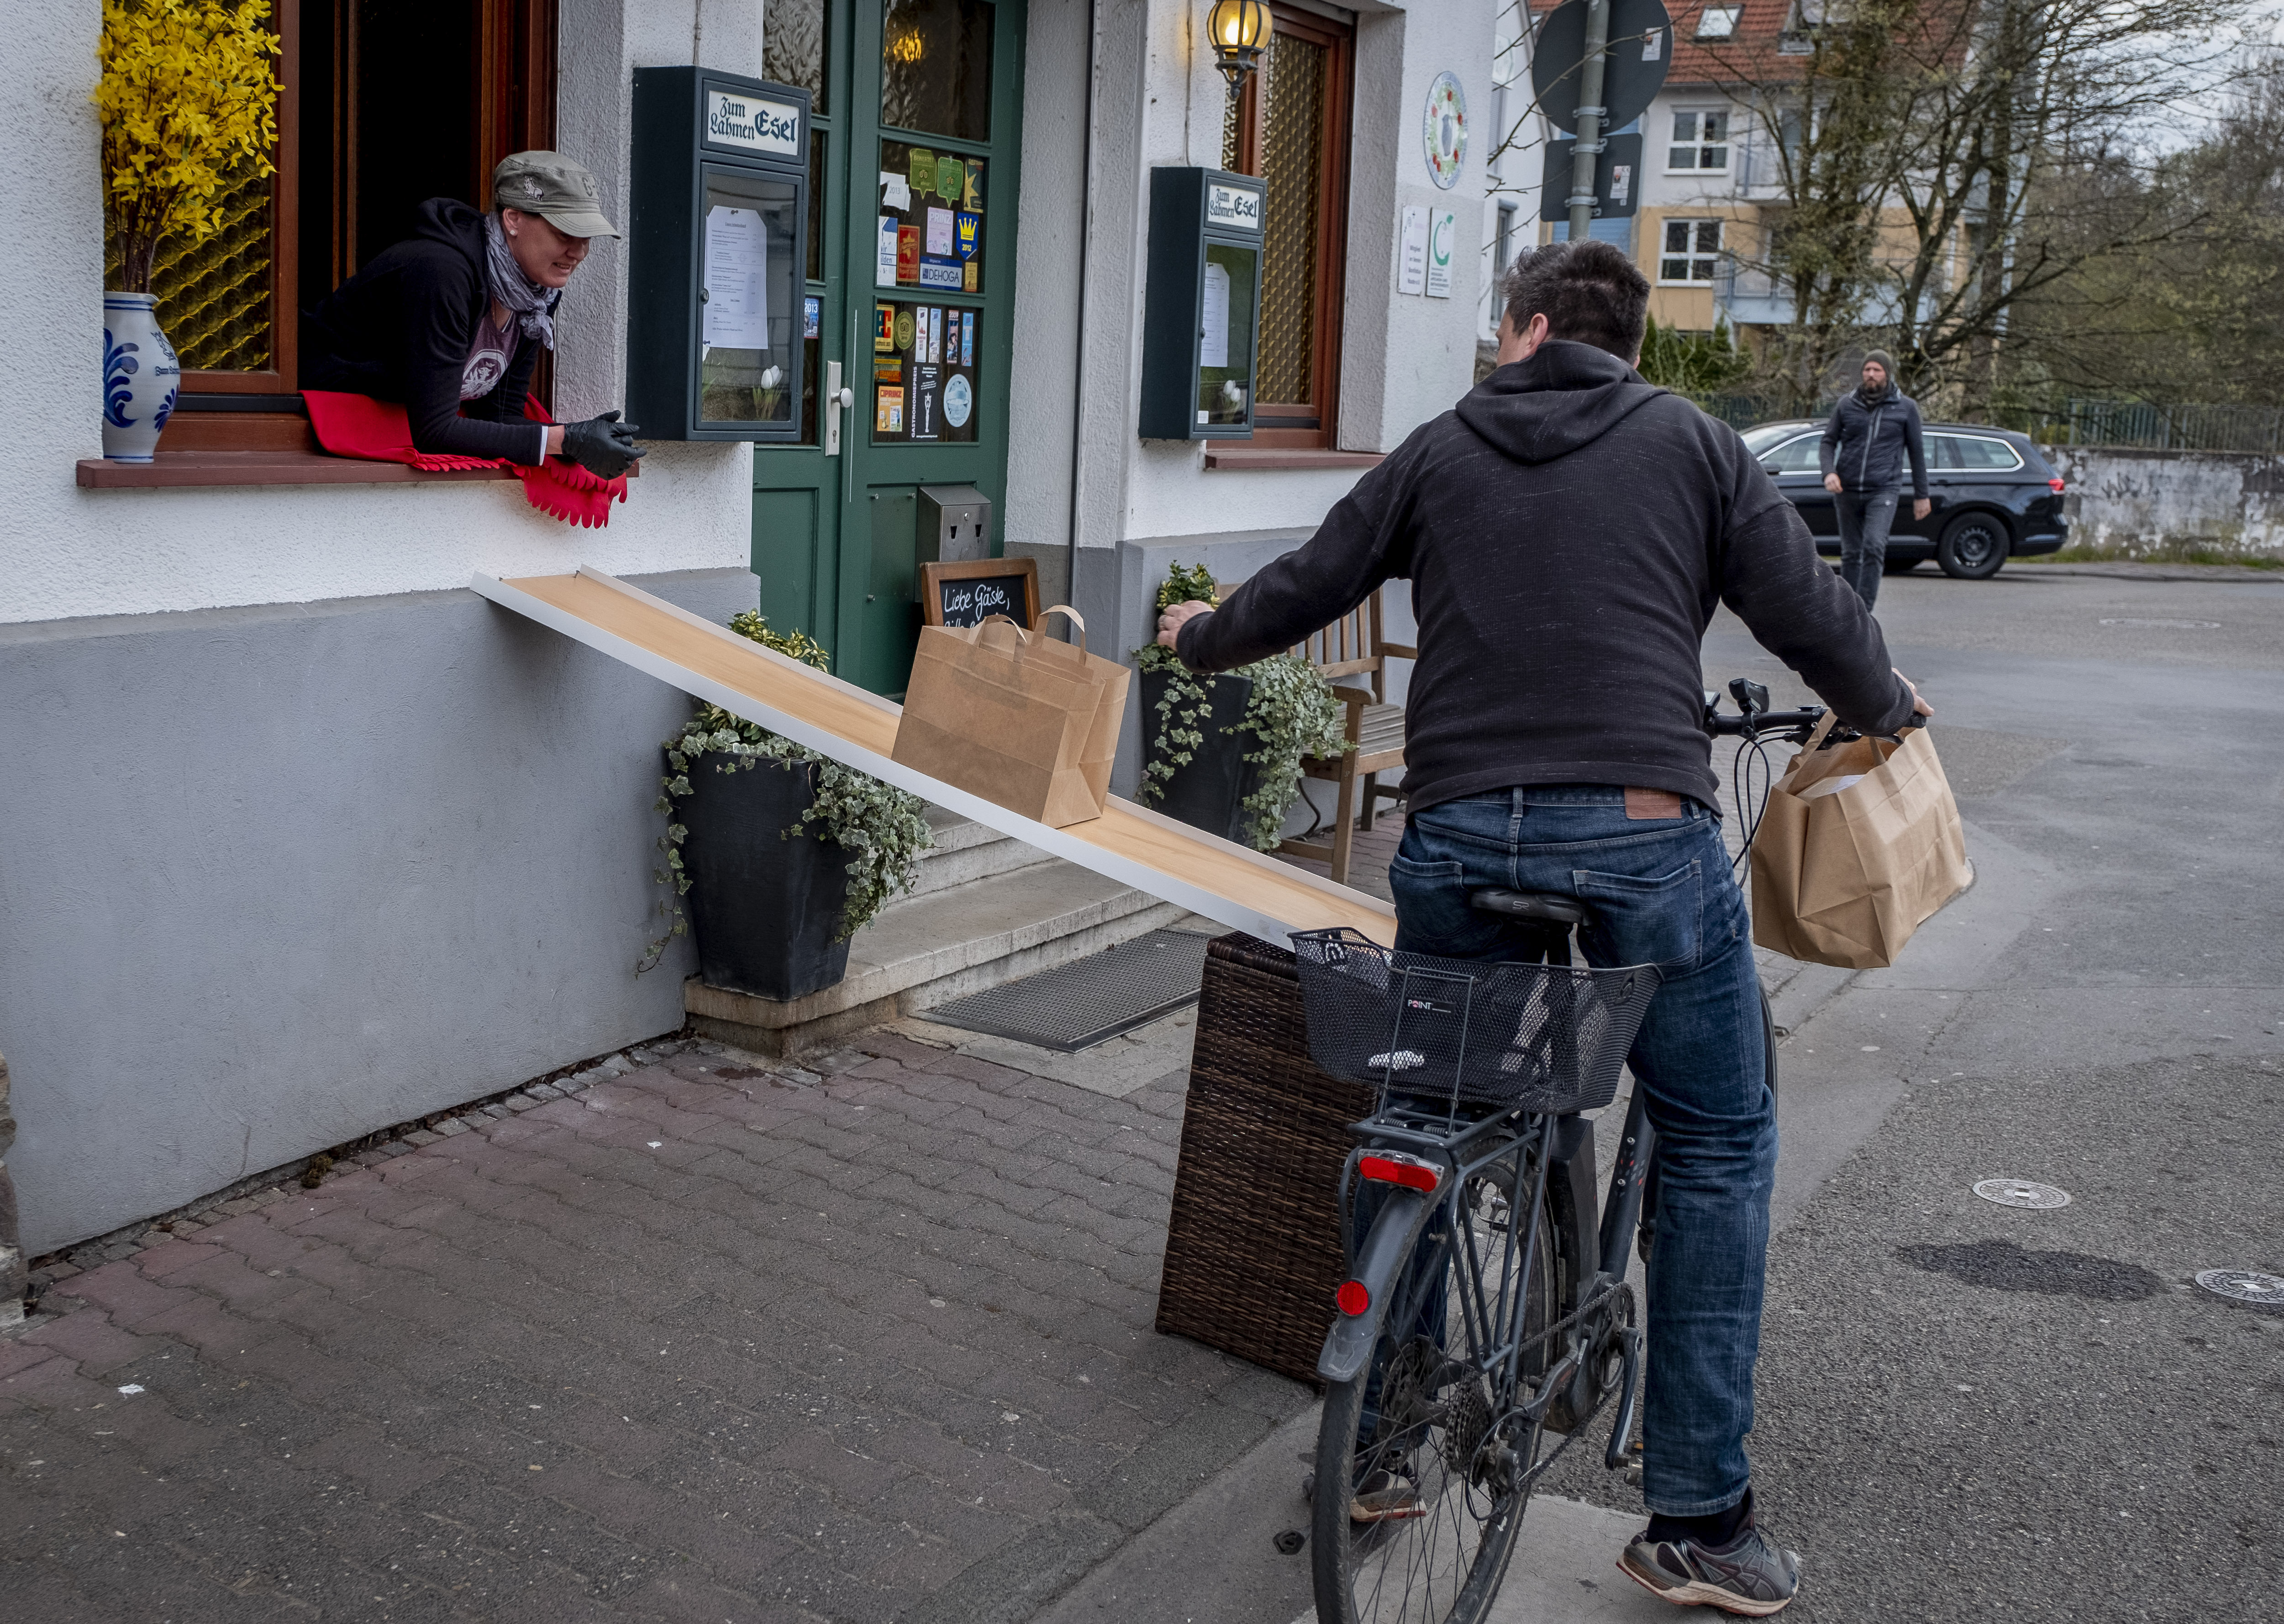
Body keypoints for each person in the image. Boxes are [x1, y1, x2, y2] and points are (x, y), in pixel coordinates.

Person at [1158, 240, 1932, 1616]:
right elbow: (1809, 609)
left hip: (1454, 838)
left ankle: (1381, 1448)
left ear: (1519, 330)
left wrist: (1198, 632)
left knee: (1423, 1115)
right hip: (1643, 833)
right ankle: (1697, 1519)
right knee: (1716, 1134)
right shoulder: (1691, 445)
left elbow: (1310, 581)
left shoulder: (1438, 447)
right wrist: (1884, 706)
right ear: (1624, 345)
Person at [301, 151, 643, 480]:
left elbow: (497, 414)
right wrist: (562, 440)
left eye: (587, 238)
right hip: (310, 426)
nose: (579, 253)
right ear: (513, 220)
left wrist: (580, 441)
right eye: (565, 234)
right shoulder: (441, 273)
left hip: (389, 426)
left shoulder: (538, 295)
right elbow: (435, 430)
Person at [1819, 350, 1929, 610]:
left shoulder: (1906, 408)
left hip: (1883, 490)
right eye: (1867, 369)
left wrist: (1921, 495)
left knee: (1873, 546)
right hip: (1846, 489)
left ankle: (1865, 610)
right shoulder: (1847, 404)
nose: (1871, 375)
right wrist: (1829, 472)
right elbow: (1828, 441)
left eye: (1877, 370)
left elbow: (1917, 453)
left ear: (1887, 374)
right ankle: (1847, 608)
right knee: (1850, 553)